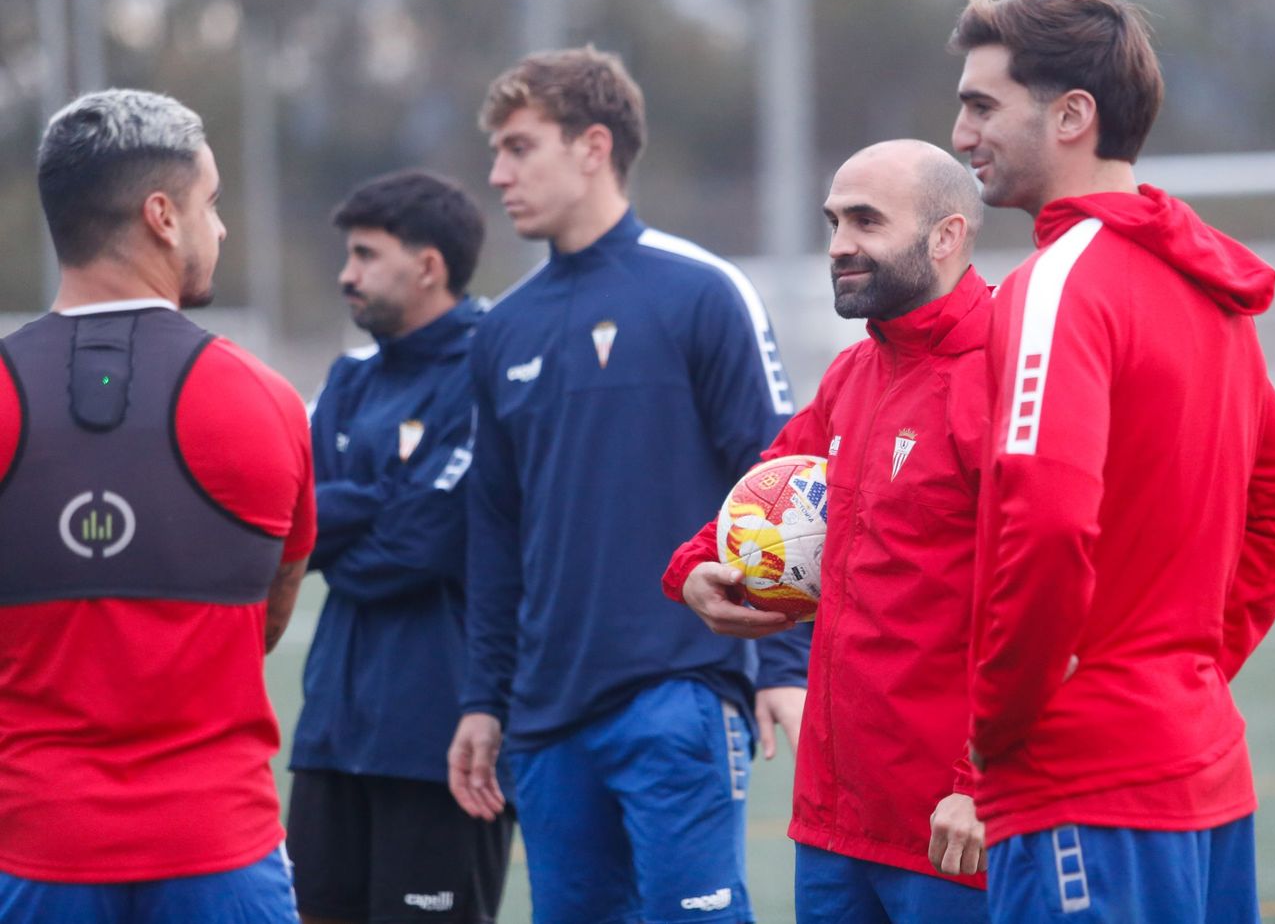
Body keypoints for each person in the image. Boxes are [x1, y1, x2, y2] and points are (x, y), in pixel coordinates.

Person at [948, 0, 1275, 923]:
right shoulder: (1205, 287)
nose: (960, 136)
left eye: (982, 105)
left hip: (1085, 784)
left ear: (1072, 115)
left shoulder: (1057, 284)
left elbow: (1046, 517)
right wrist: (1183, 667)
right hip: (1199, 770)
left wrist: (995, 726)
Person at [446, 45, 808, 924]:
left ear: (593, 146)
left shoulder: (702, 292)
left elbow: (783, 488)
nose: (497, 174)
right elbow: (495, 536)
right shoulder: (502, 332)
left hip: (679, 693)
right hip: (545, 721)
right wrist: (484, 700)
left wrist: (783, 665)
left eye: (519, 147)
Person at [0, 89, 314, 923]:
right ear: (162, 216)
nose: (221, 230)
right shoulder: (268, 401)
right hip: (222, 850)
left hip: (37, 851)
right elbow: (271, 612)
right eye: (211, 205)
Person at [664, 139, 995, 924]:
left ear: (946, 235)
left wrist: (982, 785)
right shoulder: (853, 375)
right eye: (834, 220)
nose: (840, 243)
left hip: (955, 831)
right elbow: (760, 490)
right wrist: (694, 569)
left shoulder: (1005, 373)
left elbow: (1046, 596)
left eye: (866, 220)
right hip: (833, 829)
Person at [286, 170, 513, 924]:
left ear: (428, 266)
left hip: (441, 740)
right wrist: (376, 502)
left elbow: (425, 544)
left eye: (364, 255)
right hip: (330, 736)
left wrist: (347, 511)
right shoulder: (346, 381)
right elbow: (298, 529)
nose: (346, 275)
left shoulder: (491, 368)